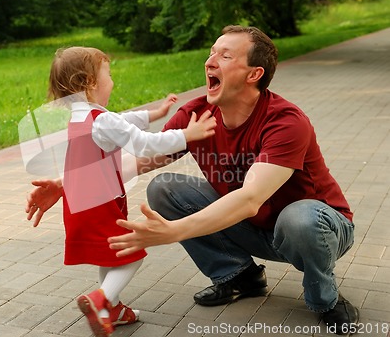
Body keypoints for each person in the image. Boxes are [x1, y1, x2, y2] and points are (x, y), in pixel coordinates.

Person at [107, 25, 359, 335]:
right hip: (255, 226)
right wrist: (68, 184)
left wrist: (173, 231)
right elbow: (137, 162)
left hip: (317, 229)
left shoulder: (285, 121)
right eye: (212, 53)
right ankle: (239, 276)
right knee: (165, 188)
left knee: (299, 217)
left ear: (254, 74)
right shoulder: (196, 115)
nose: (210, 61)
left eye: (225, 56)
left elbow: (251, 198)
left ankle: (326, 299)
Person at [25, 46, 216, 337]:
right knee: (133, 251)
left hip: (80, 205)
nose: (112, 81)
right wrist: (185, 136)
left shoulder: (81, 119)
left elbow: (122, 121)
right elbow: (142, 144)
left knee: (111, 254)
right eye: (108, 75)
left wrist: (156, 112)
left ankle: (112, 309)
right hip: (99, 204)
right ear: (89, 83)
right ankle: (100, 300)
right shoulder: (101, 120)